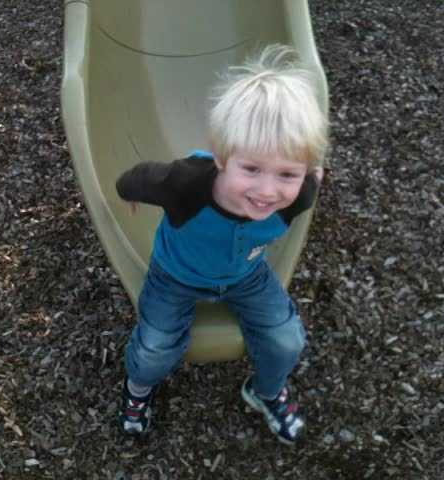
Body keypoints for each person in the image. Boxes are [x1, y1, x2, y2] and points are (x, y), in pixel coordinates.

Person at [114, 44, 328, 445]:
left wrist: (307, 177)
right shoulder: (186, 183)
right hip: (174, 275)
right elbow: (139, 178)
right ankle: (137, 390)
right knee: (155, 349)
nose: (267, 191)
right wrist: (127, 192)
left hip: (245, 276)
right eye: (251, 169)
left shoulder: (300, 194)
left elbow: (314, 175)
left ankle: (265, 392)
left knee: (287, 340)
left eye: (287, 174)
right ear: (221, 158)